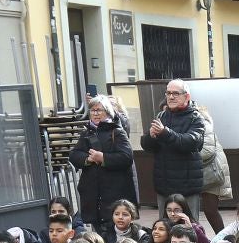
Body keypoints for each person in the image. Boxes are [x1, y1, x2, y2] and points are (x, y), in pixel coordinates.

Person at [70, 95, 137, 229]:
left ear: (107, 111)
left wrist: (103, 158)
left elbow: (126, 156)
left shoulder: (117, 132)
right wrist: (87, 159)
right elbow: (74, 155)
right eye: (92, 110)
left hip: (114, 193)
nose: (95, 113)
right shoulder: (86, 133)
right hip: (93, 195)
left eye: (98, 110)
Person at [141, 79, 206, 207]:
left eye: (175, 93)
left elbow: (191, 143)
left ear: (187, 96)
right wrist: (151, 137)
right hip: (164, 184)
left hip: (187, 185)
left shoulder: (196, 117)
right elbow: (147, 146)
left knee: (188, 224)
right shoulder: (161, 116)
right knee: (164, 225)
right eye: (168, 93)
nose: (171, 97)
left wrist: (165, 133)